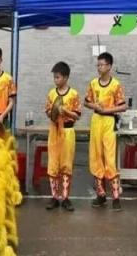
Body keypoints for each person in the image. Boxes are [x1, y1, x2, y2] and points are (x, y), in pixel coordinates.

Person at [84, 52, 127, 211]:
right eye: (98, 65)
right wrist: (94, 106)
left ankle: (115, 197)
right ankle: (101, 195)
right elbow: (86, 102)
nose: (99, 67)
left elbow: (123, 106)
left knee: (109, 157)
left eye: (102, 65)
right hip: (96, 120)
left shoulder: (115, 85)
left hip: (109, 121)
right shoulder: (93, 83)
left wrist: (107, 109)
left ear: (109, 66)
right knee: (96, 156)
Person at [44, 62, 81, 212]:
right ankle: (54, 197)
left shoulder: (74, 94)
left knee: (66, 164)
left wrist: (65, 111)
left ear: (65, 78)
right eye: (54, 77)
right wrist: (53, 112)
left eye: (58, 77)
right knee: (53, 164)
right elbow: (48, 111)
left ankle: (65, 198)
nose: (55, 80)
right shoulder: (51, 94)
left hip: (67, 131)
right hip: (54, 130)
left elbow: (77, 115)